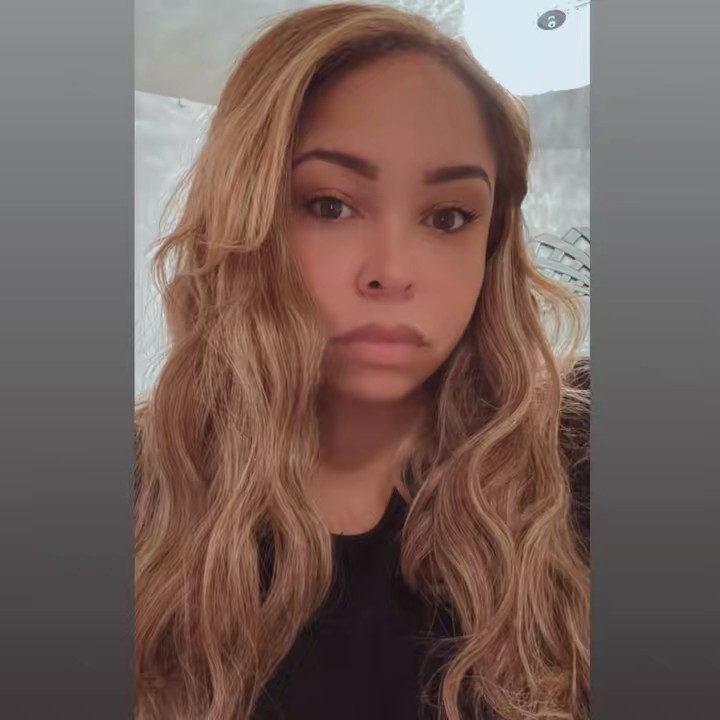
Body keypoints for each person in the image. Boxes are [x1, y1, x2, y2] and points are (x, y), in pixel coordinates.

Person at [134, 4, 590, 719]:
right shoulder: (141, 489)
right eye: (330, 205)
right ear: (245, 222)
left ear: (490, 245)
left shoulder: (577, 467)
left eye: (448, 217)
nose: (392, 272)